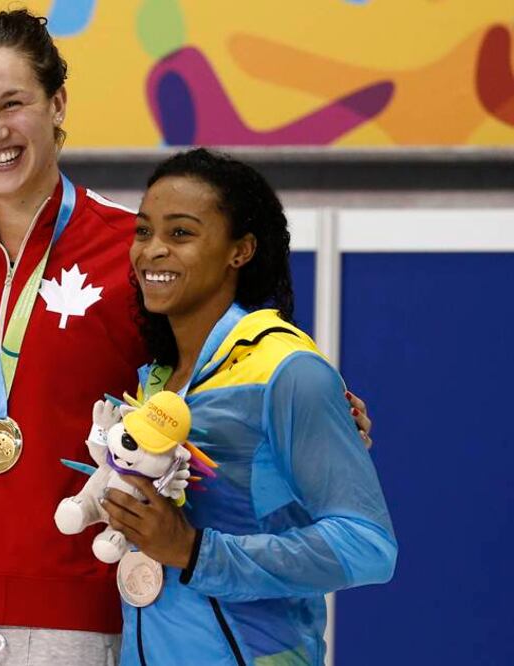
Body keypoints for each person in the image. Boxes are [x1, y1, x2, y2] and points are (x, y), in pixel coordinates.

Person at [0, 11, 373, 666]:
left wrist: (308, 417)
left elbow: (215, 380)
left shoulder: (131, 249)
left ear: (57, 104)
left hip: (77, 613)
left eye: (12, 104)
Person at [102, 148, 397, 665]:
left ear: (240, 251)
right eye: (144, 232)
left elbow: (367, 546)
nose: (152, 252)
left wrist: (195, 552)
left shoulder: (289, 370)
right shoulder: (153, 382)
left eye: (181, 233)